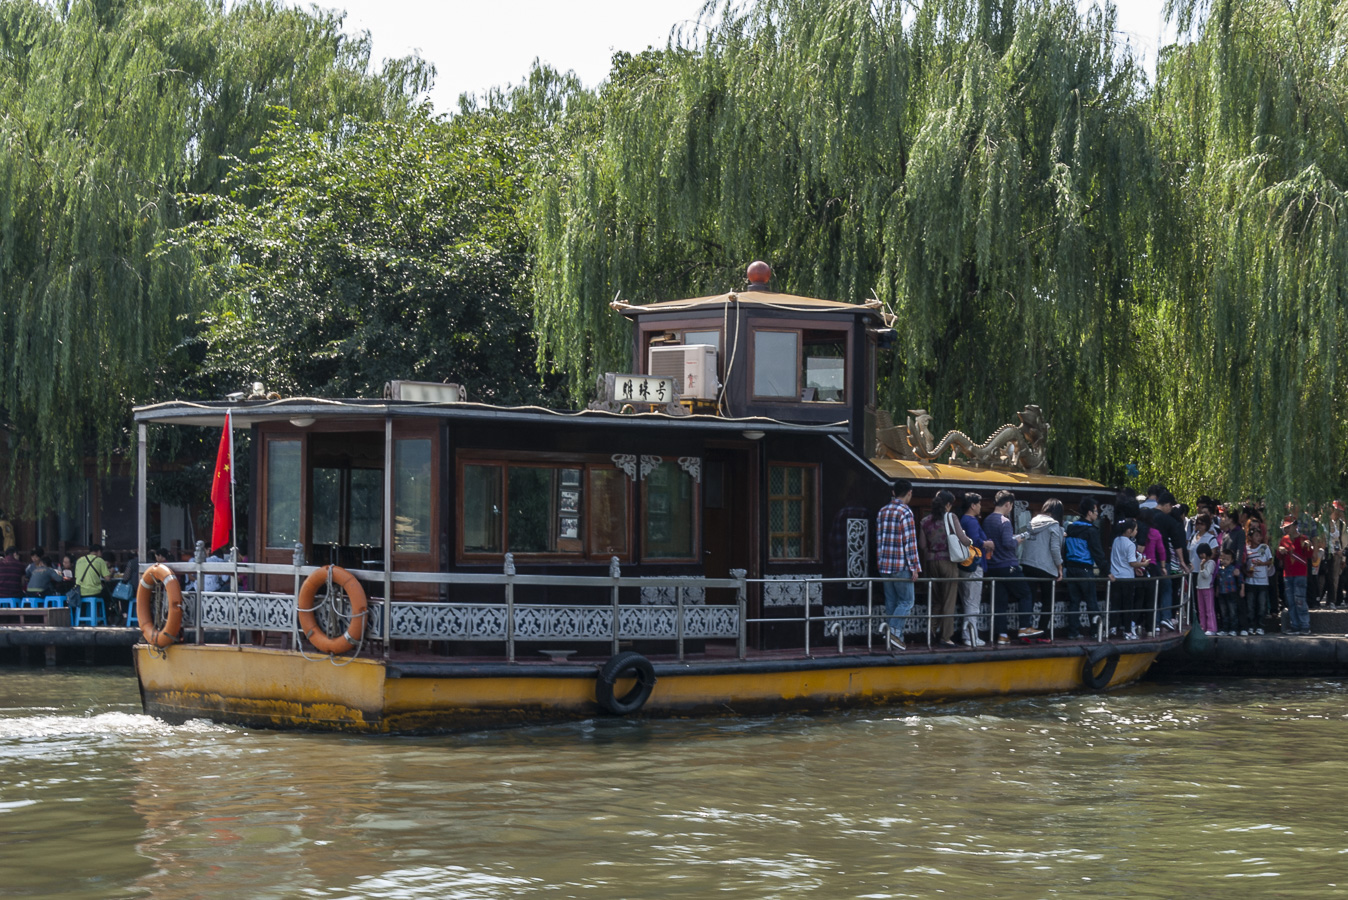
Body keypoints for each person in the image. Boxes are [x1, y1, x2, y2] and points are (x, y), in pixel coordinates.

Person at [984, 490, 1042, 643]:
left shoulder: (987, 520)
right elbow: (1008, 544)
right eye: (1011, 507)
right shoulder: (1005, 521)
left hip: (992, 567)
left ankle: (1002, 635)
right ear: (1008, 504)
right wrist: (1020, 538)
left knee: (1000, 602)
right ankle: (1024, 627)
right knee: (1026, 593)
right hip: (1008, 566)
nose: (1010, 510)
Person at [917, 490, 968, 647]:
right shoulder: (951, 517)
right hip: (948, 561)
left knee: (936, 600)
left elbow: (922, 546)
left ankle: (930, 632)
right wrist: (971, 542)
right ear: (947, 504)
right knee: (949, 601)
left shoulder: (925, 521)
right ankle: (946, 637)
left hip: (931, 563)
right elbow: (963, 539)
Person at [876, 479, 920, 651]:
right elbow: (910, 542)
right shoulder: (905, 512)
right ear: (909, 493)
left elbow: (880, 539)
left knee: (891, 602)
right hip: (901, 565)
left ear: (894, 493)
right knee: (907, 601)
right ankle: (893, 632)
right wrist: (915, 567)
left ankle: (895, 639)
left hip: (884, 565)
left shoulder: (883, 511)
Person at [1063, 497, 1109, 639]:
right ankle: (1095, 631)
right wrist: (1107, 572)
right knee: (1091, 602)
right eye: (1096, 511)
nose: (1097, 515)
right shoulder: (1091, 531)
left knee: (1074, 602)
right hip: (1084, 570)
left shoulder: (1070, 527)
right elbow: (1098, 553)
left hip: (1070, 570)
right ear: (1089, 512)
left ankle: (1073, 632)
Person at [1018, 498, 1065, 633]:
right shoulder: (1054, 525)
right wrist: (1059, 567)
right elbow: (1055, 549)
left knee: (1029, 599)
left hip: (1027, 564)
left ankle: (1026, 628)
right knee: (1048, 600)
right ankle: (1043, 632)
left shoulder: (1032, 522)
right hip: (1046, 568)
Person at [956, 492, 994, 646]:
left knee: (967, 600)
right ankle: (971, 636)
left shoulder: (962, 520)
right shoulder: (970, 521)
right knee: (972, 602)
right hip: (974, 565)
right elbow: (974, 541)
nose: (980, 507)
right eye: (978, 504)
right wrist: (988, 544)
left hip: (964, 566)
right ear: (972, 505)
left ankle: (968, 634)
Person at [1109, 518, 1149, 638]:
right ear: (1129, 531)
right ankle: (1127, 631)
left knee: (1115, 604)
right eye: (1135, 529)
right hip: (1127, 578)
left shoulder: (1116, 540)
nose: (1137, 531)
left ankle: (1113, 627)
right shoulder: (1130, 544)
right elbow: (1132, 562)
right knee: (1127, 605)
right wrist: (1143, 564)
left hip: (1115, 577)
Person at [1277, 517, 1313, 635]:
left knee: (1300, 600)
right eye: (1285, 527)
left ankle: (1305, 625)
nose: (1286, 529)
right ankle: (1295, 625)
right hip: (1288, 574)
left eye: (1288, 527)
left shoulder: (1304, 539)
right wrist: (1280, 551)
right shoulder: (1284, 539)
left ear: (1294, 526)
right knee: (1291, 601)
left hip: (1300, 574)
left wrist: (1309, 545)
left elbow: (1309, 554)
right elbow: (1279, 557)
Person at [1245, 524, 1273, 635]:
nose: (1258, 538)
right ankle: (1251, 626)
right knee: (1250, 605)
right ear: (1251, 537)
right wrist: (1247, 572)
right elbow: (1243, 564)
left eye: (1259, 536)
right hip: (1250, 581)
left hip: (1262, 581)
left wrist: (1263, 563)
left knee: (1262, 605)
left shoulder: (1264, 547)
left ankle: (1261, 626)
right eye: (1256, 536)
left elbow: (1270, 561)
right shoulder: (1246, 549)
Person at [1215, 548, 1245, 635]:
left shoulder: (1233, 569)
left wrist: (1242, 590)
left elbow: (1241, 579)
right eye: (1223, 559)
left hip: (1231, 592)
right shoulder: (1219, 570)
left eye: (1227, 559)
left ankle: (1233, 629)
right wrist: (1217, 590)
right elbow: (1218, 581)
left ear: (1232, 560)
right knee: (1224, 612)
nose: (1224, 561)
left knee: (1232, 611)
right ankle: (1225, 629)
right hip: (1221, 593)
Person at [73, 543, 111, 612]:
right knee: (108, 596)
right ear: (99, 551)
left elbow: (76, 577)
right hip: (94, 592)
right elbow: (107, 579)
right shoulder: (100, 561)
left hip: (79, 591)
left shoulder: (79, 560)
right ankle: (103, 617)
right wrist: (112, 572)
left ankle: (82, 619)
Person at [1194, 544, 1217, 635]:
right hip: (1200, 588)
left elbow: (1206, 575)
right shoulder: (1202, 563)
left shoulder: (1211, 563)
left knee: (1209, 609)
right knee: (1201, 609)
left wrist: (1202, 567)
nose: (1201, 556)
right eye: (1199, 554)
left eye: (1202, 553)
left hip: (1208, 588)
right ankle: (1203, 627)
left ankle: (1212, 628)